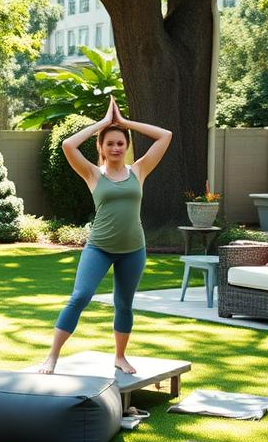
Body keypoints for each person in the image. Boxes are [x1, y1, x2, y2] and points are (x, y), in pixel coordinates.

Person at [35, 97, 173, 379]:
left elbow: (165, 136)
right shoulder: (92, 174)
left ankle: (120, 356)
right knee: (80, 296)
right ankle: (52, 356)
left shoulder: (139, 170)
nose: (115, 147)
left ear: (126, 146)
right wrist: (102, 124)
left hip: (133, 250)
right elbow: (67, 145)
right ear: (101, 147)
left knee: (124, 304)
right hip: (99, 248)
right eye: (109, 143)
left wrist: (123, 123)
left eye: (120, 142)